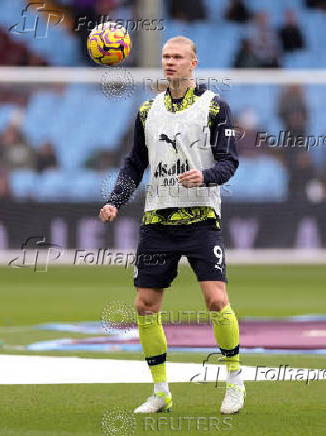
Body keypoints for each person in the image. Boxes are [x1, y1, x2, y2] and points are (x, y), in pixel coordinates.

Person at [99, 36, 244, 414]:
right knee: (145, 306)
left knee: (216, 300)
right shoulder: (147, 111)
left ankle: (234, 380)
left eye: (177, 57)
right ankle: (161, 392)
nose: (170, 62)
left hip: (200, 219)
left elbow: (230, 163)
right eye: (165, 56)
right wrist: (115, 201)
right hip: (157, 220)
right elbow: (134, 163)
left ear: (193, 63)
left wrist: (206, 176)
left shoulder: (215, 107)